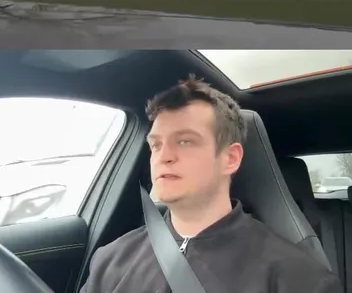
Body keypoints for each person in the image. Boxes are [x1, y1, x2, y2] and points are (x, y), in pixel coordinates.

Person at [79, 76, 339, 293]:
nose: (163, 156)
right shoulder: (110, 260)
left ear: (230, 158)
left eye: (185, 141)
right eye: (156, 144)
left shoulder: (298, 279)